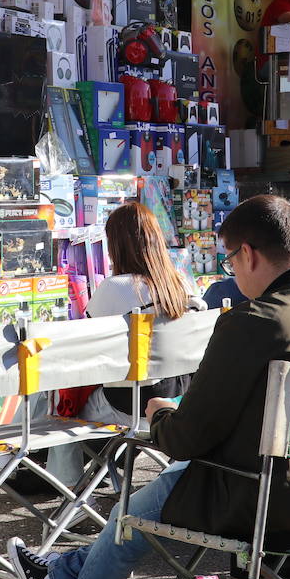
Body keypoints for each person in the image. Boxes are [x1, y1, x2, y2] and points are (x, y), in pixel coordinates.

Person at [9, 195, 290, 579]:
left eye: (230, 263)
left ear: (249, 254)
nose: (233, 274)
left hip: (263, 499)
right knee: (169, 482)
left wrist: (160, 414)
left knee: (135, 510)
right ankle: (59, 576)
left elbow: (187, 437)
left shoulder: (253, 321)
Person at [46, 202, 205, 489]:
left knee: (58, 411)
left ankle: (73, 493)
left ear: (115, 245)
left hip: (129, 406)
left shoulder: (116, 288)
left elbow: (83, 350)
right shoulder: (182, 286)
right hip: (179, 401)